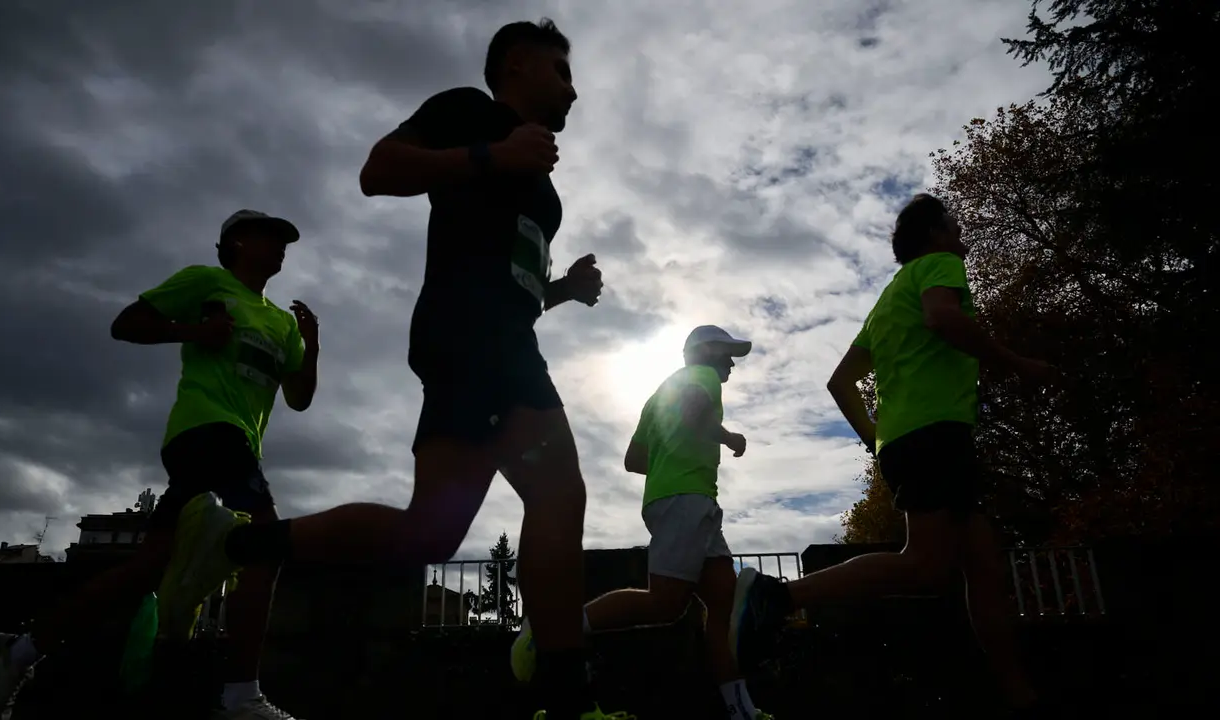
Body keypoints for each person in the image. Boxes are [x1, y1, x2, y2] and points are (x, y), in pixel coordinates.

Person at [120, 18, 624, 720]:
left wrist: (561, 289)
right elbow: (376, 172)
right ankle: (568, 699)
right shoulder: (467, 113)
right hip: (474, 337)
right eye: (560, 71)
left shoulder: (537, 175)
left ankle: (237, 541)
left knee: (430, 534)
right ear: (515, 66)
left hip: (494, 336)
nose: (573, 89)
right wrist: (490, 153)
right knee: (558, 494)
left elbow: (511, 278)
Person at [0, 209, 320, 720]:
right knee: (267, 543)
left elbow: (299, 397)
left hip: (236, 443)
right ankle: (241, 693)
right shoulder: (208, 282)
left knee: (146, 568)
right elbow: (126, 324)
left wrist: (311, 347)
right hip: (204, 428)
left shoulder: (281, 322)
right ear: (235, 244)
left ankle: (19, 650)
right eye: (267, 236)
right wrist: (194, 332)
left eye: (283, 240)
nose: (280, 246)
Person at [728, 194, 1055, 716]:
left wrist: (872, 435)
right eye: (954, 223)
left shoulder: (886, 300)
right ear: (935, 233)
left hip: (912, 440)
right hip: (936, 435)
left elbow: (840, 381)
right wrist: (1015, 362)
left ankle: (1020, 694)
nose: (960, 230)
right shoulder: (939, 266)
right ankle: (780, 597)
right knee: (926, 566)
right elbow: (944, 318)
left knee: (981, 565)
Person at [511, 324, 772, 720]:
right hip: (687, 501)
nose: (731, 363)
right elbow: (693, 407)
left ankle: (741, 712)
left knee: (722, 604)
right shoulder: (702, 378)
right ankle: (550, 629)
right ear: (704, 352)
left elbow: (634, 459)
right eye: (726, 353)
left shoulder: (657, 396)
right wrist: (719, 437)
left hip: (679, 500)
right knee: (665, 604)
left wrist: (694, 449)